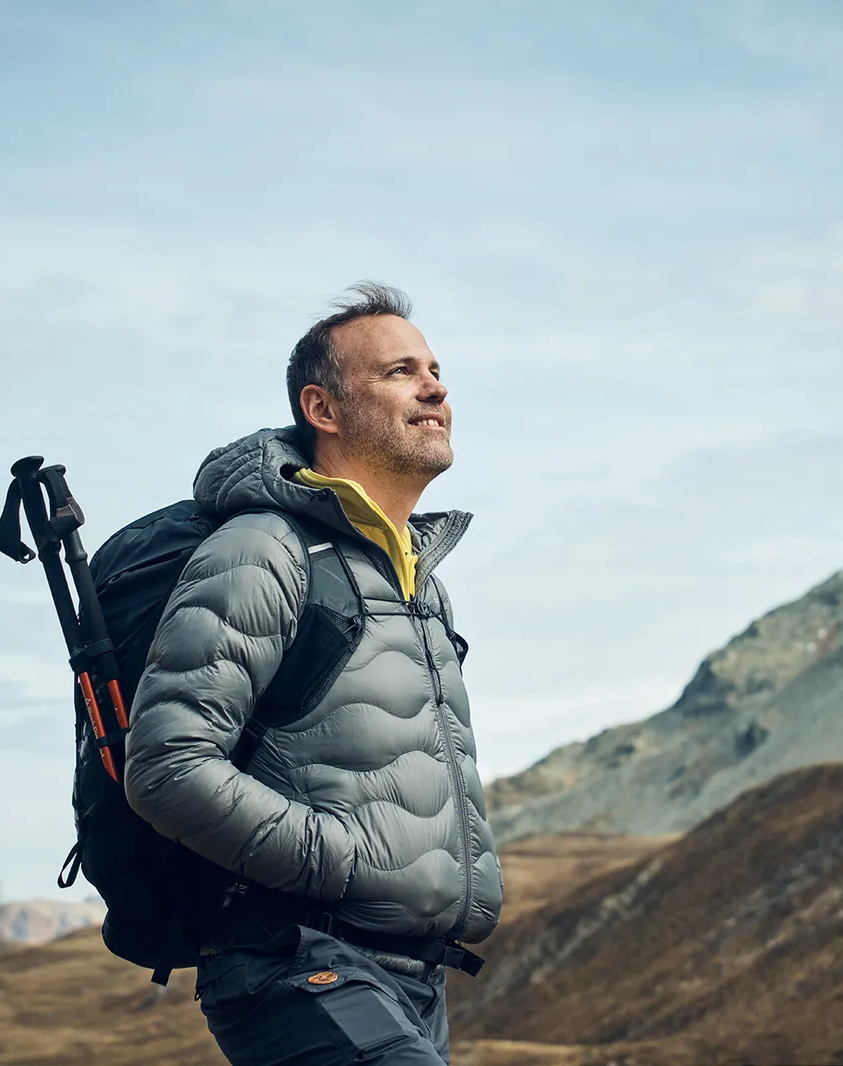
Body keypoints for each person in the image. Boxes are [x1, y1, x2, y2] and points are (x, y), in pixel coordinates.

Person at [124, 282, 502, 1064]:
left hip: (413, 978)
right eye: (400, 371)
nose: (435, 387)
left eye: (436, 370)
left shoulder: (419, 582)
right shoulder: (263, 549)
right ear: (323, 410)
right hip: (297, 962)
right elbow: (165, 764)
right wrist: (346, 857)